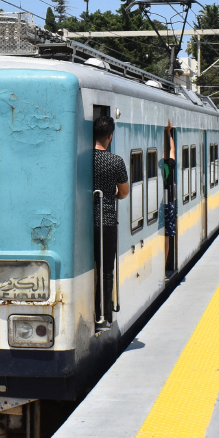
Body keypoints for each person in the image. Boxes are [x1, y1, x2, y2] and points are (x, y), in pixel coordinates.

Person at [92, 115, 129, 322]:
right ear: (110, 136)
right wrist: (110, 194)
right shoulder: (115, 161)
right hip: (105, 220)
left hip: (85, 221)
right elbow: (123, 192)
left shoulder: (82, 159)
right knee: (106, 270)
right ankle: (103, 314)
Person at [160, 120, 178, 274]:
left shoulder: (155, 167)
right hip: (168, 205)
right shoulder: (169, 165)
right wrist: (168, 132)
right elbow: (172, 150)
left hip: (156, 205)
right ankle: (164, 265)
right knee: (166, 236)